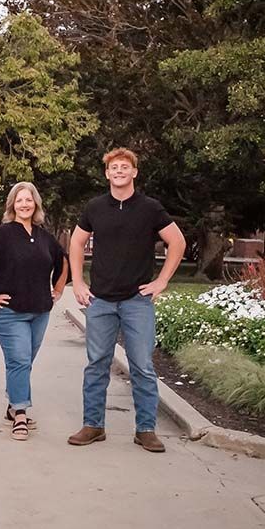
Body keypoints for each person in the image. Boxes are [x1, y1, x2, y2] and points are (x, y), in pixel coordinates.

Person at [68, 148, 186, 453]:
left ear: (134, 172)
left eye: (124, 167)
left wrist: (162, 280)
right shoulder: (95, 207)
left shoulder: (150, 208)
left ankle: (145, 430)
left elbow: (177, 241)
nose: (119, 171)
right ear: (107, 174)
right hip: (101, 301)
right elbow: (77, 242)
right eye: (114, 167)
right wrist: (78, 281)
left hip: (137, 301)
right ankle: (93, 425)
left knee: (142, 366)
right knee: (97, 364)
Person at [0, 182, 67, 440]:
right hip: (9, 312)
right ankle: (21, 414)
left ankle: (12, 405)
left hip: (40, 311)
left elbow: (62, 260)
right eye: (19, 200)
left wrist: (59, 289)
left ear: (35, 204)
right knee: (20, 361)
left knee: (24, 362)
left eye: (28, 200)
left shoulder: (44, 237)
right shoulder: (1, 235)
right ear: (12, 205)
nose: (24, 204)